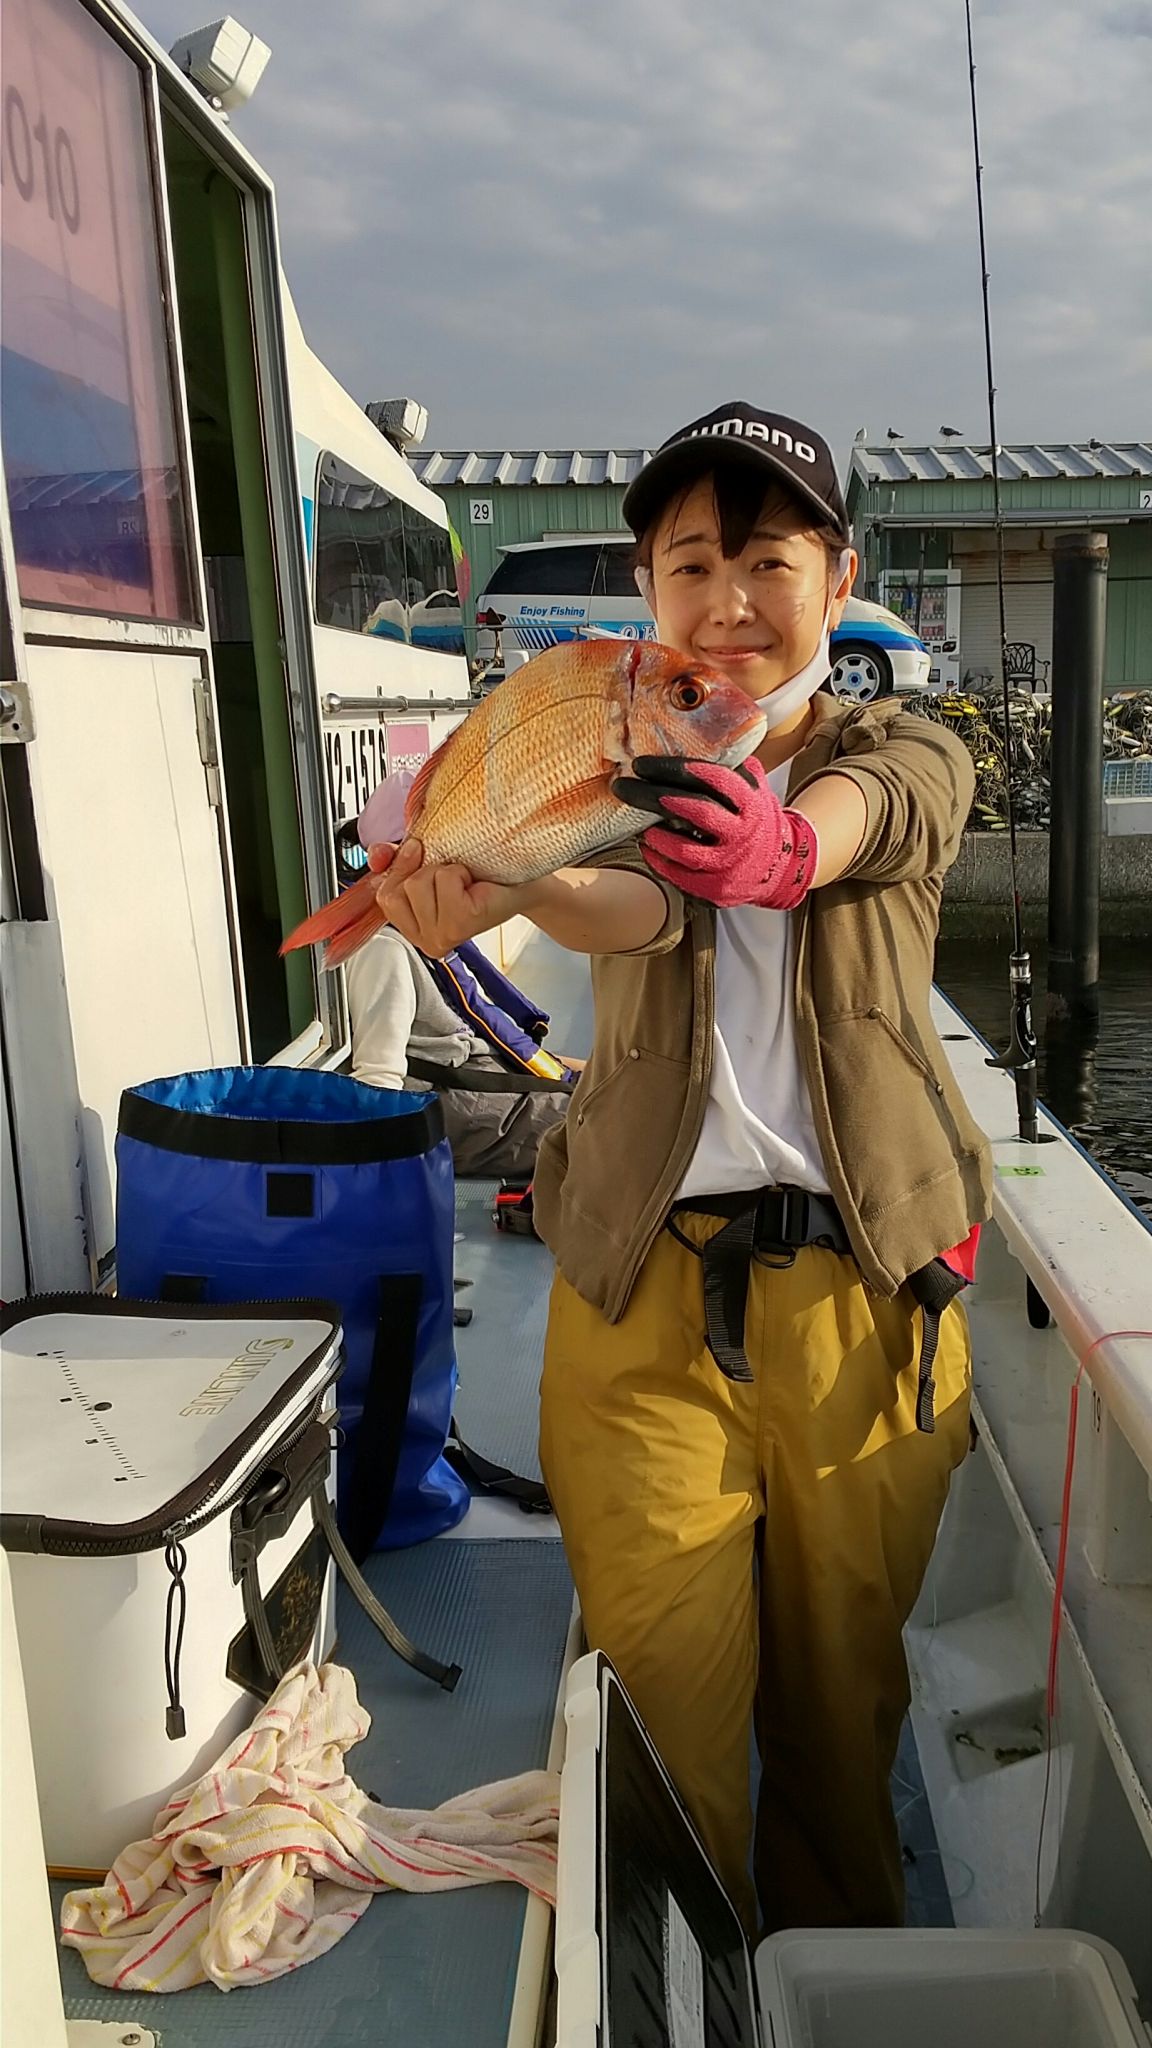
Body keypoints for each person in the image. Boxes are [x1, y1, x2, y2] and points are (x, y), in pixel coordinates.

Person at [364, 401, 992, 1935]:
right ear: (648, 587)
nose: (729, 599)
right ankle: (689, 1993)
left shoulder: (903, 742)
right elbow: (625, 905)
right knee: (662, 1718)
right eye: (693, 561)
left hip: (868, 1311)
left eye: (768, 558)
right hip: (643, 1307)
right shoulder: (627, 748)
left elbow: (883, 812)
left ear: (836, 582)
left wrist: (786, 847)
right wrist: (481, 882)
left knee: (844, 1723)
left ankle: (835, 1976)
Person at [336, 824, 580, 1179]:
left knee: (627, 1088)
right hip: (460, 1108)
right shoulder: (384, 950)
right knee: (621, 1126)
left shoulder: (429, 935)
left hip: (487, 1081)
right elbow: (379, 1080)